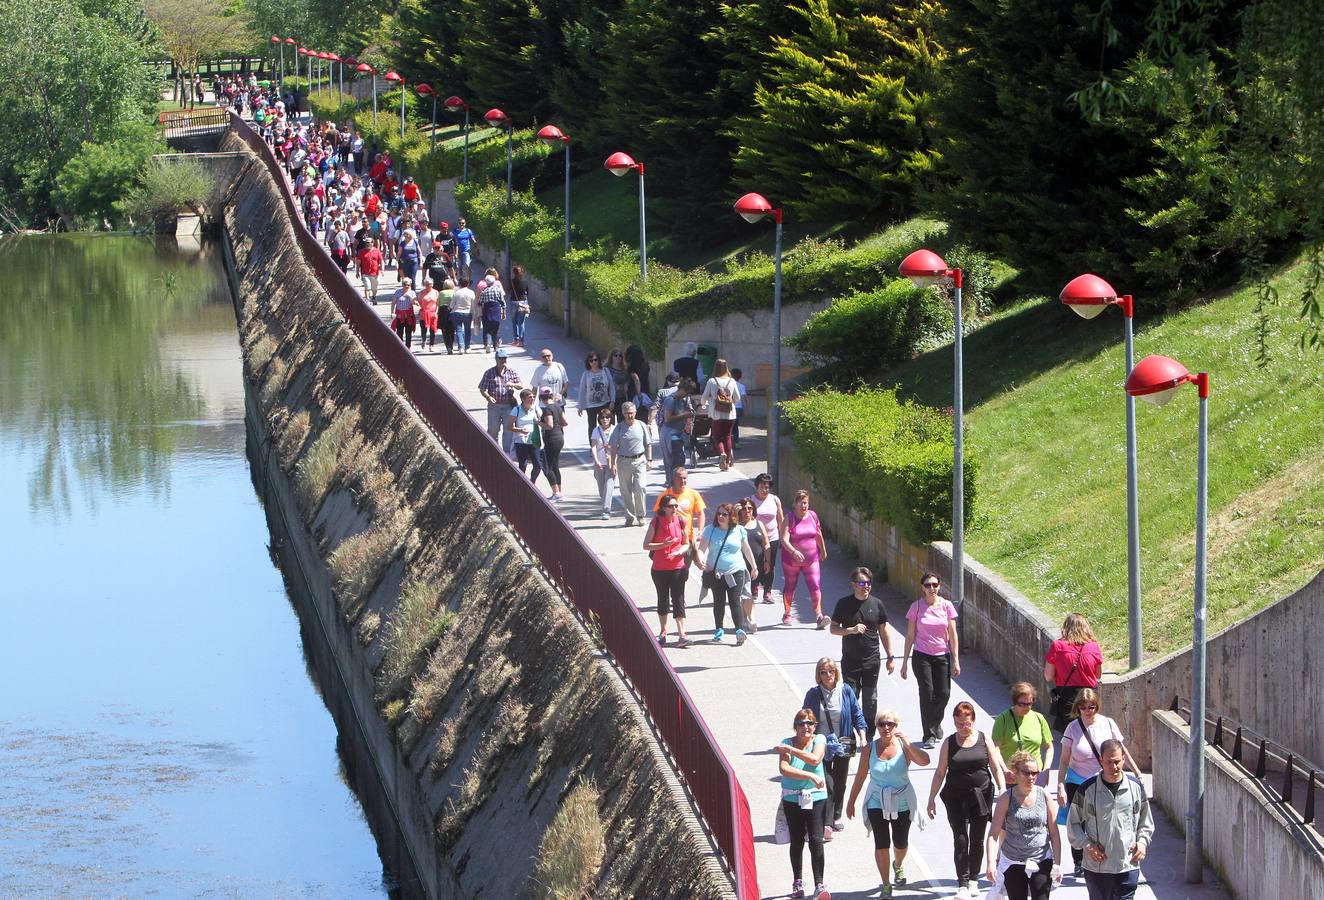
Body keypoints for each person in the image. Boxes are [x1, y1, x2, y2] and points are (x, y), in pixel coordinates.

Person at [1054, 689, 1143, 878]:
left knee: (1104, 820)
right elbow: (1063, 760)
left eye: (1091, 707)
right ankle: (1079, 861)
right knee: (1079, 821)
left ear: (1097, 706)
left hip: (1104, 780)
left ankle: (1106, 854)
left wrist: (1135, 772)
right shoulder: (1072, 728)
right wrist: (1060, 785)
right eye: (1083, 707)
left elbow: (1120, 751)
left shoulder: (1107, 724)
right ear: (1078, 708)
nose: (1088, 711)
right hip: (1078, 780)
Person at [846, 710, 930, 898]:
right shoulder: (869, 748)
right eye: (881, 724)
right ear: (876, 727)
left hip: (902, 801)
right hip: (877, 800)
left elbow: (925, 761)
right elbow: (860, 776)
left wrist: (909, 744)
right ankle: (886, 884)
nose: (885, 727)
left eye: (889, 724)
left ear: (895, 726)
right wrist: (850, 802)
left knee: (901, 843)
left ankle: (898, 865)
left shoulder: (903, 745)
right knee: (881, 843)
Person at [926, 702, 1006, 899]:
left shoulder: (984, 738)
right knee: (961, 839)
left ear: (973, 721)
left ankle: (973, 881)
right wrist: (931, 798)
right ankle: (962, 883)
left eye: (966, 724)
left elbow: (995, 768)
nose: (963, 728)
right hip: (956, 796)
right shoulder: (949, 742)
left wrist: (1003, 791)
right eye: (959, 724)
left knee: (978, 838)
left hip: (981, 795)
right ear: (954, 722)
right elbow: (939, 772)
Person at [1067, 739, 1154, 900]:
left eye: (1117, 762)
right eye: (1108, 762)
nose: (1113, 767)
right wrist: (1087, 845)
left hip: (1127, 864)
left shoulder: (1136, 787)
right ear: (1101, 761)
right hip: (1097, 868)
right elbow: (1073, 823)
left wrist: (1142, 842)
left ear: (1123, 760)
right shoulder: (1086, 789)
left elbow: (1145, 821)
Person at [986, 750, 1064, 900]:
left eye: (1035, 773)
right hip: (1013, 860)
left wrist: (1058, 864)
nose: (1031, 777)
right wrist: (990, 863)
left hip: (1041, 858)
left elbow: (1054, 833)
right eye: (1026, 773)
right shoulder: (1006, 799)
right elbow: (993, 834)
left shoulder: (1045, 796)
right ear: (1015, 772)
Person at [830, 566, 895, 744]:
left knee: (870, 699)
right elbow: (833, 628)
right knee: (851, 697)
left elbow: (884, 631)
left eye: (868, 583)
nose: (866, 586)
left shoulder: (877, 604)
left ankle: (869, 733)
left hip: (872, 659)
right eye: (862, 583)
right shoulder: (844, 604)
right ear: (853, 585)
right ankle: (851, 732)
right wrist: (850, 630)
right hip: (850, 660)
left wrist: (890, 657)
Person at [802, 658, 866, 837]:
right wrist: (805, 740)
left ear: (836, 673)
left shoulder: (845, 691)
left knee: (840, 782)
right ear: (818, 675)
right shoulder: (813, 694)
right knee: (827, 782)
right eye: (823, 672)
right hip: (821, 744)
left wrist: (862, 737)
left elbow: (856, 714)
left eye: (830, 671)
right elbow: (806, 718)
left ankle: (837, 815)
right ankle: (826, 822)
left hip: (844, 742)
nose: (828, 675)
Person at [901, 572, 961, 748]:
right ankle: (929, 734)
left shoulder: (947, 606)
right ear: (922, 588)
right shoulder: (916, 607)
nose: (931, 588)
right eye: (927, 585)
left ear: (939, 586)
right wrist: (904, 661)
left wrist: (956, 659)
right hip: (922, 656)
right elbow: (910, 635)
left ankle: (935, 723)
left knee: (943, 694)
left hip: (942, 655)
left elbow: (953, 635)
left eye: (934, 584)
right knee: (927, 692)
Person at [777, 709, 831, 900]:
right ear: (795, 726)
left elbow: (815, 758)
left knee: (816, 840)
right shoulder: (786, 742)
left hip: (816, 797)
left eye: (809, 723)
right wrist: (810, 775)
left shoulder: (819, 740)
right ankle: (797, 881)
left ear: (815, 726)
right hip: (793, 798)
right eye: (801, 723)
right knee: (797, 839)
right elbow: (784, 769)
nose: (805, 727)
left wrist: (792, 751)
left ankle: (819, 883)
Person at [698, 503, 758, 645]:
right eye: (719, 514)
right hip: (716, 573)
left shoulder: (739, 530)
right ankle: (719, 629)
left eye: (724, 514)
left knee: (734, 600)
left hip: (736, 571)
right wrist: (700, 560)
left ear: (731, 516)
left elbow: (746, 549)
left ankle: (739, 630)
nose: (721, 516)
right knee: (718, 601)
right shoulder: (710, 530)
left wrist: (754, 567)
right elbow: (701, 549)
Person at [644, 493, 693, 646]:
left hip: (678, 567)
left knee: (679, 599)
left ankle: (682, 635)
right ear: (664, 508)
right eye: (671, 506)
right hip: (659, 569)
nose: (674, 508)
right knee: (663, 599)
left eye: (676, 505)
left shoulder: (681, 521)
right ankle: (663, 631)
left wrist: (680, 551)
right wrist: (663, 545)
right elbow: (646, 545)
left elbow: (686, 543)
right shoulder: (656, 522)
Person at [1044, 612, 1103, 732]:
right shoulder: (1093, 646)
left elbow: (1048, 676)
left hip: (1066, 697)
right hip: (1089, 696)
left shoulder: (1058, 646)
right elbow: (1098, 675)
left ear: (1066, 627)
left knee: (1069, 735)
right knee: (1088, 731)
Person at [780, 490, 827, 629]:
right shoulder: (789, 518)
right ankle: (787, 613)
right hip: (791, 561)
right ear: (794, 504)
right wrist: (794, 551)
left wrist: (823, 550)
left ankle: (819, 616)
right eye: (800, 503)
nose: (803, 506)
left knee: (815, 586)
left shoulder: (813, 516)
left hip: (812, 559)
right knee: (790, 586)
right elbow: (783, 539)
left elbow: (818, 534)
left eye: (805, 503)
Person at [991, 683, 1054, 782]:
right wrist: (1004, 770)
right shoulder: (1003, 719)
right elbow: (995, 749)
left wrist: (1046, 770)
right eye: (1022, 704)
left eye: (1030, 703)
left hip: (1034, 777)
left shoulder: (1039, 718)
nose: (1027, 707)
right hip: (1013, 778)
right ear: (1014, 701)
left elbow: (1049, 747)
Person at [607, 402, 651, 526]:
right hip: (623, 461)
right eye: (626, 413)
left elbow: (648, 444)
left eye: (631, 413)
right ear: (623, 414)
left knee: (640, 487)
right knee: (625, 490)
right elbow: (613, 447)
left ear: (635, 412)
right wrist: (612, 464)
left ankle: (641, 515)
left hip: (639, 460)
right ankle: (630, 517)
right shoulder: (619, 428)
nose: (629, 416)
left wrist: (650, 460)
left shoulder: (641, 425)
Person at [478, 349, 523, 452]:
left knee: (509, 431)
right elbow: (482, 389)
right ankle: (493, 451)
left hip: (508, 406)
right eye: (501, 358)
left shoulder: (512, 372)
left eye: (505, 358)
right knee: (493, 431)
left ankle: (506, 455)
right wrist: (488, 397)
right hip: (494, 406)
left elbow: (521, 385)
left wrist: (513, 384)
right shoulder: (489, 373)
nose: (503, 360)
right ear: (496, 359)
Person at [750, 473, 784, 605]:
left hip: (772, 537)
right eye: (762, 487)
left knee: (770, 564)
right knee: (756, 563)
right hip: (756, 538)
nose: (765, 490)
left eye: (767, 487)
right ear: (757, 487)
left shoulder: (775, 500)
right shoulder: (751, 501)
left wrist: (783, 537)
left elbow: (780, 519)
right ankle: (755, 587)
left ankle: (767, 592)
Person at [701, 358, 740, 470]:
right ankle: (727, 462)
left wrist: (705, 403)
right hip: (730, 413)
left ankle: (722, 453)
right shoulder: (732, 381)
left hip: (716, 414)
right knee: (727, 436)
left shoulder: (712, 381)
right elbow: (737, 398)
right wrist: (729, 401)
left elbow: (704, 397)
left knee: (717, 436)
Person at [735, 499, 768, 631]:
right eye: (744, 508)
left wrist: (767, 561)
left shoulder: (759, 523)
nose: (747, 511)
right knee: (745, 593)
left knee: (751, 594)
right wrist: (734, 514)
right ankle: (750, 619)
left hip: (756, 565)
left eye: (749, 508)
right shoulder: (736, 525)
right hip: (740, 565)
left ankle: (746, 618)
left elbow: (766, 544)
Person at [652, 467, 706, 541]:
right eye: (679, 478)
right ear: (673, 479)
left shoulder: (694, 494)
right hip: (669, 537)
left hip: (688, 537)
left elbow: (700, 513)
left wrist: (700, 531)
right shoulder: (664, 495)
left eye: (684, 478)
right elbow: (657, 515)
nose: (682, 481)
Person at [659, 376, 695, 482]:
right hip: (669, 433)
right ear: (683, 390)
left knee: (679, 459)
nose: (687, 396)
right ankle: (671, 481)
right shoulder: (671, 400)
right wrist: (685, 415)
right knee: (674, 459)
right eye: (687, 393)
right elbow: (667, 419)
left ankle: (674, 481)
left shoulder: (682, 400)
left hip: (678, 433)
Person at [577, 352, 615, 441]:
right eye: (591, 360)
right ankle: (593, 445)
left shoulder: (605, 371)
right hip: (591, 405)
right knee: (592, 426)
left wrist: (612, 400)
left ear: (599, 361)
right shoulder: (586, 374)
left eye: (595, 360)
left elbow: (612, 387)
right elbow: (582, 390)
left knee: (606, 423)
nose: (594, 362)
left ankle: (608, 442)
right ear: (588, 362)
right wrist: (580, 406)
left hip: (604, 402)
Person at [538, 386, 567, 501]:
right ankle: (559, 492)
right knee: (555, 466)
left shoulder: (547, 409)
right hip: (559, 437)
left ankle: (556, 493)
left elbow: (549, 425)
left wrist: (539, 422)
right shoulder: (558, 407)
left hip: (551, 439)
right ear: (551, 395)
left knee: (547, 467)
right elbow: (565, 422)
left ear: (541, 397)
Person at [508, 388, 543, 482]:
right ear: (523, 399)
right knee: (522, 465)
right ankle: (521, 484)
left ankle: (532, 483)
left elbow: (541, 420)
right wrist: (520, 430)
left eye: (533, 397)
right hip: (521, 441)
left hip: (534, 440)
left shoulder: (535, 408)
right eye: (529, 397)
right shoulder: (516, 410)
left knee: (538, 465)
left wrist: (539, 420)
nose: (532, 399)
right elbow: (510, 427)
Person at [590, 409, 616, 520]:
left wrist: (614, 462)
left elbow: (618, 446)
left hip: (611, 462)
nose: (605, 420)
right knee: (601, 487)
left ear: (611, 418)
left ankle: (606, 510)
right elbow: (594, 446)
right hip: (599, 462)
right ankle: (605, 504)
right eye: (602, 418)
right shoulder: (596, 430)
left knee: (609, 485)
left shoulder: (615, 429)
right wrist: (596, 460)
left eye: (607, 417)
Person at [478, 275, 506, 352]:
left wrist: (479, 312)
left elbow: (480, 302)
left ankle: (487, 344)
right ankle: (495, 346)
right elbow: (503, 302)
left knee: (487, 329)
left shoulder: (484, 291)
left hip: (487, 311)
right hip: (496, 311)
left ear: (486, 282)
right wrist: (503, 313)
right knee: (495, 330)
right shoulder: (498, 290)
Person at [448, 277, 476, 352]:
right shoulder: (471, 292)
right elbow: (473, 305)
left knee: (458, 330)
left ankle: (461, 347)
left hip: (457, 312)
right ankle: (467, 347)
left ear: (460, 284)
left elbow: (451, 305)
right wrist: (474, 314)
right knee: (468, 330)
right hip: (467, 313)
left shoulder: (456, 292)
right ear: (468, 284)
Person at [604, 348, 632, 416]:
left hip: (622, 397)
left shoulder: (625, 369)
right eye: (615, 355)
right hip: (610, 399)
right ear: (611, 357)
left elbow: (628, 379)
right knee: (609, 420)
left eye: (620, 356)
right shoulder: (606, 369)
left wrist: (626, 384)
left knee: (621, 420)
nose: (618, 357)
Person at [391, 278, 417, 348]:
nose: (407, 286)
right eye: (405, 285)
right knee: (399, 333)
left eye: (408, 285)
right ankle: (401, 347)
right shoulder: (398, 292)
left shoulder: (412, 292)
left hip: (409, 316)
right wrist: (392, 312)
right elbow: (393, 303)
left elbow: (413, 303)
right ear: (402, 285)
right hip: (399, 316)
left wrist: (409, 296)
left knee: (408, 333)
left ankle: (408, 348)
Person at [416, 277, 440, 352]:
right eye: (427, 284)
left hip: (433, 313)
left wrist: (436, 312)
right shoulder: (421, 293)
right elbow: (419, 301)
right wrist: (422, 308)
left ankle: (431, 345)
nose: (429, 286)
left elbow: (438, 304)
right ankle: (423, 340)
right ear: (425, 285)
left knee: (432, 330)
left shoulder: (436, 292)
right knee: (424, 329)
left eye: (430, 284)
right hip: (424, 313)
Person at [510, 264, 531, 347]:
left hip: (514, 302)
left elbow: (509, 290)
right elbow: (527, 292)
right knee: (521, 322)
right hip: (523, 302)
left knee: (514, 322)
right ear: (521, 272)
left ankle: (516, 340)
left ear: (514, 273)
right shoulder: (525, 282)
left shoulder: (511, 281)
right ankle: (521, 342)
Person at [357, 235, 383, 302]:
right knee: (367, 287)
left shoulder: (376, 251)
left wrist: (382, 269)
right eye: (366, 243)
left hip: (375, 273)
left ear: (372, 243)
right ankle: (367, 300)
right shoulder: (362, 252)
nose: (367, 244)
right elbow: (358, 262)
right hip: (365, 273)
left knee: (374, 288)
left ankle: (374, 297)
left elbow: (381, 260)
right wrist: (357, 272)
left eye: (369, 242)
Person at [730, 366, 747, 448]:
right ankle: (736, 443)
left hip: (729, 407)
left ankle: (728, 442)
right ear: (740, 376)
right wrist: (745, 409)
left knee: (728, 425)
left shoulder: (727, 385)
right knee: (735, 426)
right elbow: (743, 398)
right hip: (738, 408)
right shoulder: (742, 386)